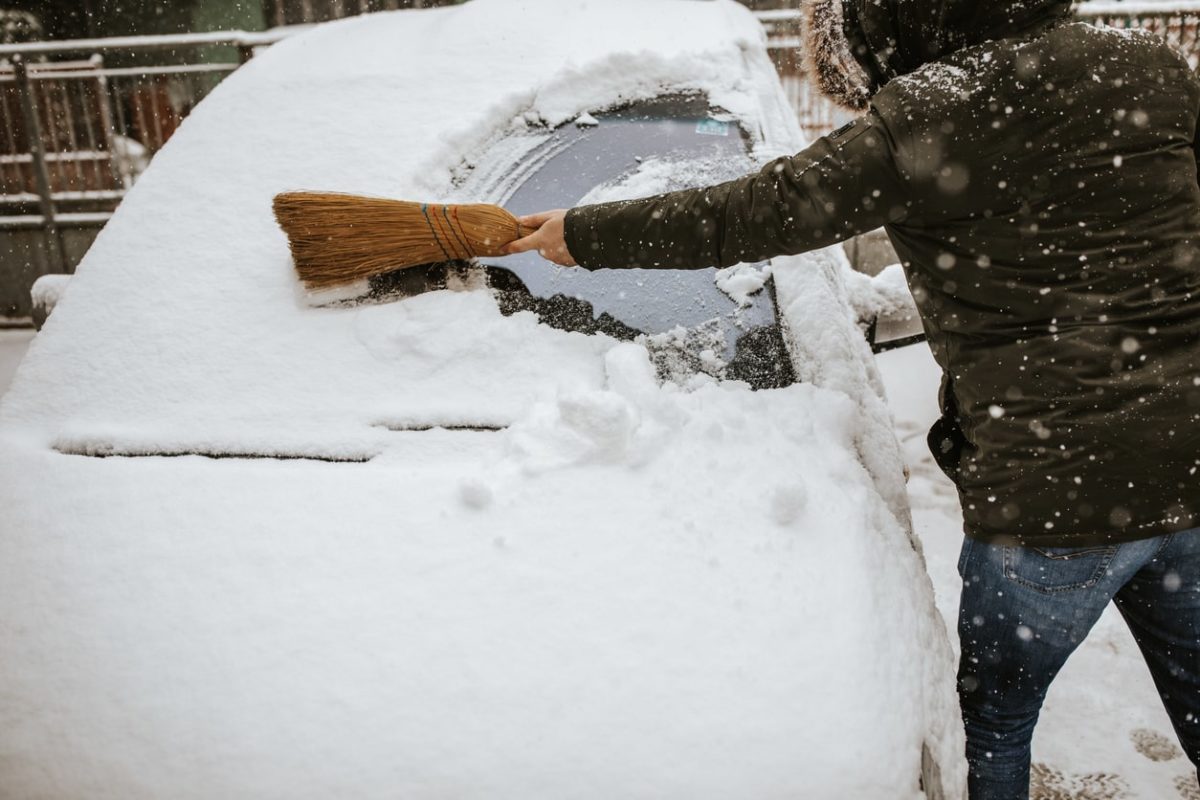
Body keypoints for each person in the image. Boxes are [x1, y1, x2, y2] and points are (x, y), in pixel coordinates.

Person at [503, 0, 1200, 796]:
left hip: (1051, 496)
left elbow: (752, 213)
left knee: (997, 725)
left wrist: (584, 235)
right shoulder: (1143, 65)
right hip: (1189, 461)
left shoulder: (928, 117)